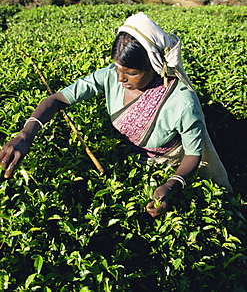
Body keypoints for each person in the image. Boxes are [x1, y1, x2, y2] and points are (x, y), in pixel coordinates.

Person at [0, 12, 232, 217]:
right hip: (133, 158)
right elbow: (57, 99)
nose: (120, 78)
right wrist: (25, 136)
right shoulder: (112, 76)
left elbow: (193, 154)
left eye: (130, 73)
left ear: (153, 67)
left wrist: (171, 184)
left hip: (172, 162)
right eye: (118, 68)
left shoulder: (181, 101)